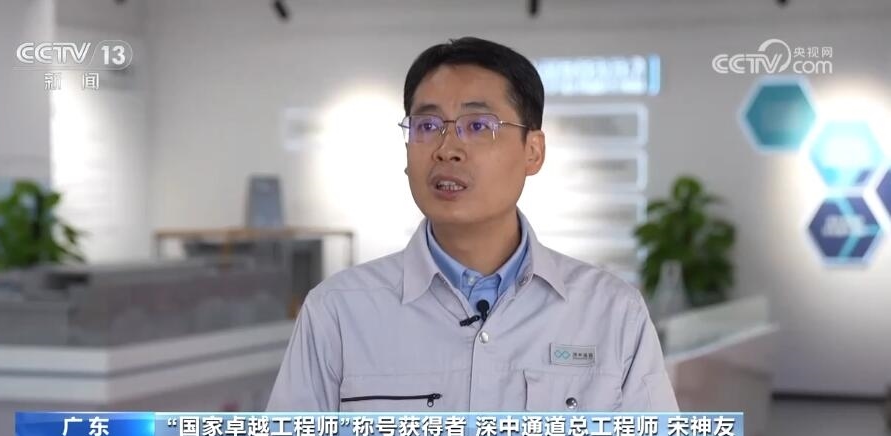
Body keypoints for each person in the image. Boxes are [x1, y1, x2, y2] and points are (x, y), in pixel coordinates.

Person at [266, 37, 678, 412]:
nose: (447, 149)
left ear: (533, 151)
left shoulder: (612, 313)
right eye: (427, 126)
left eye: (478, 126)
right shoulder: (337, 313)